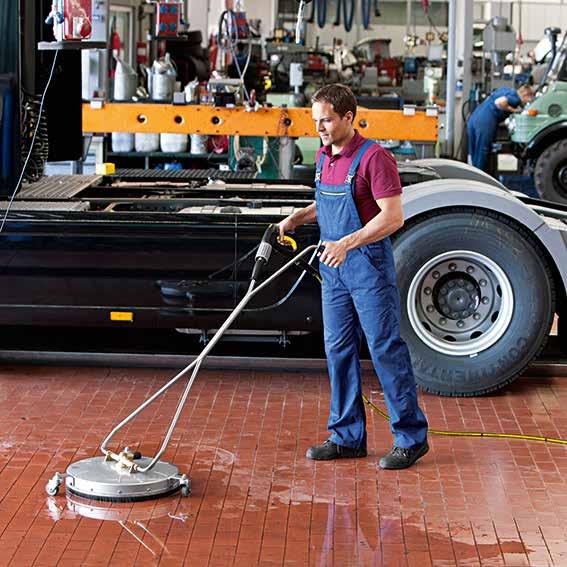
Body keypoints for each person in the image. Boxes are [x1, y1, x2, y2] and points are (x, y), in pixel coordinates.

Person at [278, 84, 428, 469]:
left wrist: (349, 242)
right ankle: (347, 436)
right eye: (315, 121)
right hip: (335, 268)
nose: (320, 128)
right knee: (338, 350)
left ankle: (410, 438)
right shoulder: (324, 157)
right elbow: (327, 200)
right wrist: (300, 216)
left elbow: (393, 216)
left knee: (383, 348)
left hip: (367, 267)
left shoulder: (374, 157)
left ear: (348, 116)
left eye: (326, 120)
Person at [467, 84, 533, 172]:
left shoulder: (506, 90)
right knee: (482, 151)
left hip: (475, 117)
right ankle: (480, 180)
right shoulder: (516, 98)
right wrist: (516, 111)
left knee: (474, 151)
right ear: (525, 95)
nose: (528, 102)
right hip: (485, 121)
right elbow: (499, 102)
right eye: (530, 98)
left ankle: (472, 177)